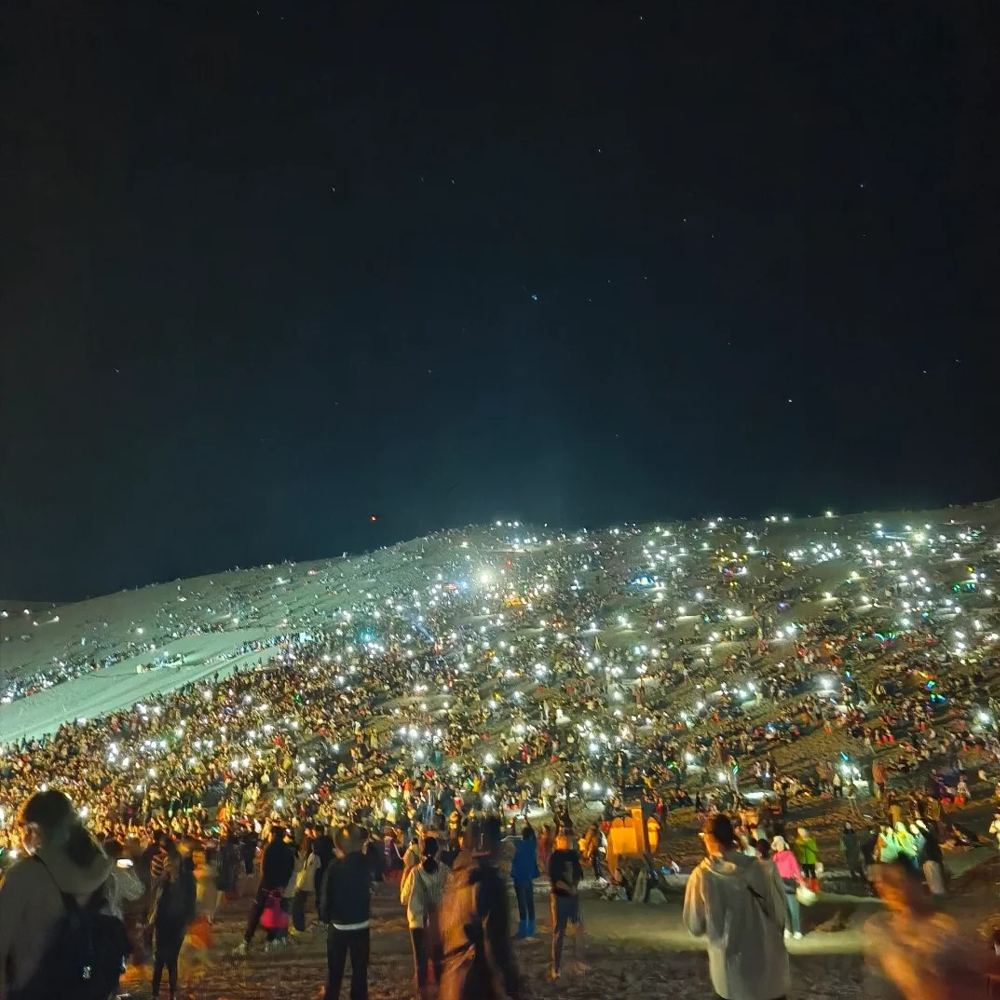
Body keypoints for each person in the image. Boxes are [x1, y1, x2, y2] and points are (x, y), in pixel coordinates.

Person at [0, 789, 129, 1000]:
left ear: (36, 830)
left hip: (33, 991)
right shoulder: (104, 873)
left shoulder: (24, 875)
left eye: (24, 828)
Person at [683, 814, 790, 1000]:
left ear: (710, 838)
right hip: (768, 970)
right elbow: (779, 914)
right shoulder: (759, 869)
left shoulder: (702, 876)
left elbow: (695, 926)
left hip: (730, 976)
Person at [864, 861, 995, 999]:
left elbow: (976, 965)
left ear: (917, 884)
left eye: (898, 881)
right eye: (885, 883)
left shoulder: (942, 925)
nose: (892, 888)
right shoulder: (879, 927)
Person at [438, 816, 522, 1000]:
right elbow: (495, 943)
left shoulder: (456, 880)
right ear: (490, 845)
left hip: (452, 984)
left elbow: (438, 937)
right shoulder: (490, 883)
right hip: (478, 984)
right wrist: (509, 987)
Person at [319, 824, 372, 1000]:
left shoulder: (334, 867)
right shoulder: (365, 865)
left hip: (339, 925)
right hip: (361, 923)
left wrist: (325, 917)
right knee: (359, 971)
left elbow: (326, 896)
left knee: (335, 971)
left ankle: (331, 996)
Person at [234, 824, 296, 954]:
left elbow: (264, 868)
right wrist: (282, 885)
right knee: (275, 913)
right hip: (280, 888)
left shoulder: (270, 848)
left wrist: (266, 884)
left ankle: (246, 942)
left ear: (272, 835)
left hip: (266, 886)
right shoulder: (287, 849)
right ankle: (270, 941)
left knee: (256, 913)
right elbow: (290, 868)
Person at [401, 836, 449, 998]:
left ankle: (423, 994)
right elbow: (452, 891)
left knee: (420, 961)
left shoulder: (415, 872)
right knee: (438, 956)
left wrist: (405, 873)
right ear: (437, 851)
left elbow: (403, 898)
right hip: (438, 919)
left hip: (417, 920)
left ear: (421, 851)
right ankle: (442, 990)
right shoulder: (444, 870)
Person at [148, 840, 196, 1000]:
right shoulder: (163, 881)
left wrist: (187, 923)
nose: (169, 864)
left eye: (172, 861)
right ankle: (155, 994)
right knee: (159, 959)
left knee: (172, 960)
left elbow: (191, 903)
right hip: (162, 924)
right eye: (166, 862)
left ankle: (172, 994)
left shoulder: (188, 880)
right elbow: (155, 902)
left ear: (178, 862)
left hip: (177, 924)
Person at [548, 825, 584, 981]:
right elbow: (556, 882)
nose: (568, 841)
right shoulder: (555, 857)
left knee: (579, 928)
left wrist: (574, 886)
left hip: (572, 897)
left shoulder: (573, 856)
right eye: (564, 838)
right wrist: (570, 888)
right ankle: (556, 966)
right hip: (560, 898)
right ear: (559, 839)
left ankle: (578, 961)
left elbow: (578, 875)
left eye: (570, 838)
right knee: (559, 933)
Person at [770, 836, 804, 939]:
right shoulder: (775, 857)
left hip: (789, 882)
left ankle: (797, 930)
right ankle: (788, 929)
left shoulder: (789, 855)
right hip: (779, 883)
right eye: (777, 844)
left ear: (784, 844)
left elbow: (795, 868)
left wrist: (800, 880)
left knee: (793, 907)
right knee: (784, 908)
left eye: (780, 844)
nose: (779, 846)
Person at [509, 824, 539, 940]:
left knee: (522, 904)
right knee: (529, 903)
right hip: (528, 877)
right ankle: (531, 930)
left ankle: (522, 931)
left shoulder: (518, 845)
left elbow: (510, 841)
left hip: (518, 877)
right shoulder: (532, 846)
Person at [291, 837, 319, 934]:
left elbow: (307, 872)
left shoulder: (312, 857)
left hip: (302, 885)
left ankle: (299, 927)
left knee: (297, 906)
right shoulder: (310, 856)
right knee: (299, 906)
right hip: (304, 884)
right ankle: (300, 926)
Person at [793, 826, 819, 892]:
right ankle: (808, 886)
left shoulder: (811, 840)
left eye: (802, 831)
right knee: (806, 873)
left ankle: (815, 887)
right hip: (803, 859)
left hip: (810, 859)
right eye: (800, 831)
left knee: (813, 873)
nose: (801, 833)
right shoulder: (798, 841)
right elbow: (797, 850)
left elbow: (814, 848)